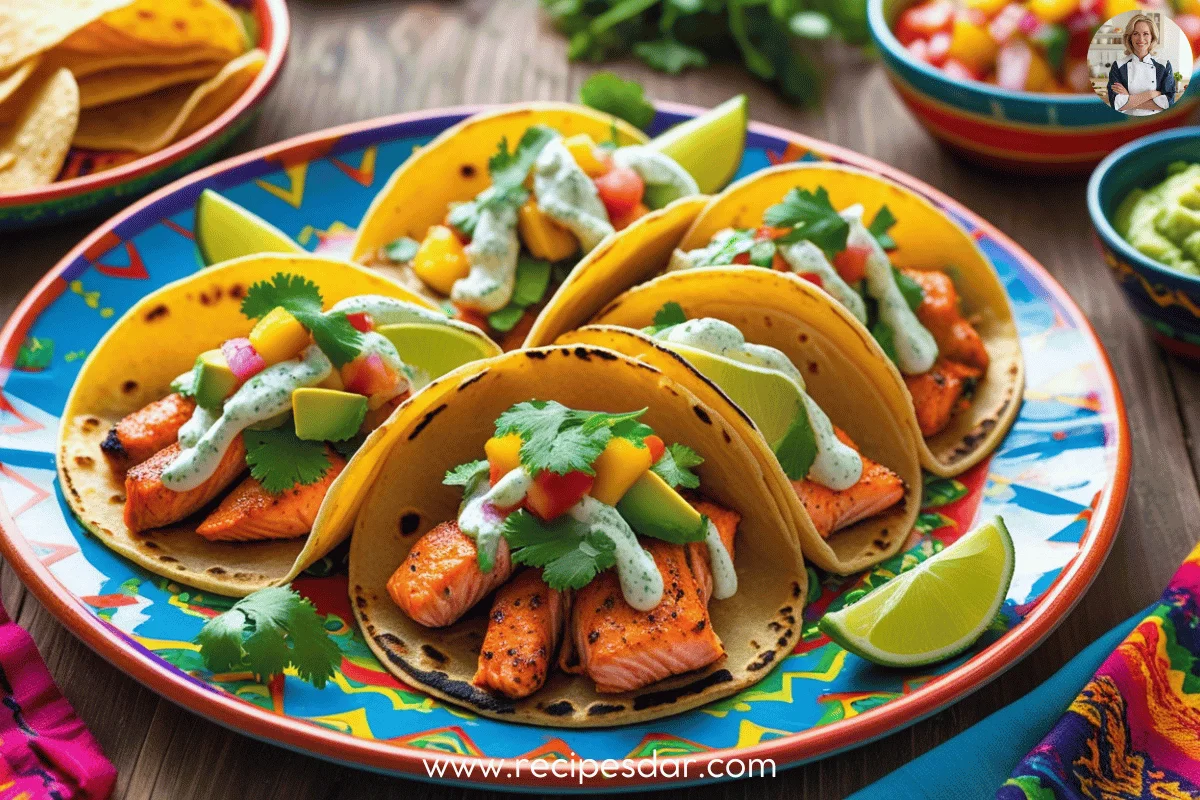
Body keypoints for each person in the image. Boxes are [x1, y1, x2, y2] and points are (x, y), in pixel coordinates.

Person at [1107, 14, 1177, 116]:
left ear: (1152, 37)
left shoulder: (1164, 65)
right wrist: (1151, 94)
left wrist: (1129, 99)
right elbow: (1115, 103)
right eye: (1135, 33)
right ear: (1130, 37)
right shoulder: (1118, 66)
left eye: (1145, 34)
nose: (1141, 39)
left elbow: (1168, 102)